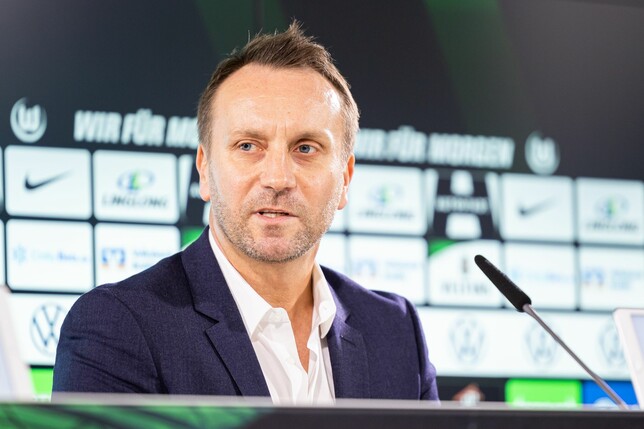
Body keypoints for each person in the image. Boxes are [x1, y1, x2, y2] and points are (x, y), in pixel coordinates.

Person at [53, 22, 438, 404]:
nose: (278, 178)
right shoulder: (118, 327)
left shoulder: (396, 330)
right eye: (248, 146)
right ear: (205, 169)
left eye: (305, 148)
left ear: (346, 178)